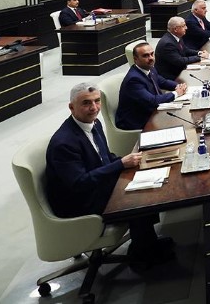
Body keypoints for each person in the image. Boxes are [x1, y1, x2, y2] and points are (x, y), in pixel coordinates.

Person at [46, 82, 174, 265]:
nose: (94, 108)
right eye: (86, 103)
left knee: (145, 181)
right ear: (71, 107)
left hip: (95, 186)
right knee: (138, 198)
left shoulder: (94, 124)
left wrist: (130, 162)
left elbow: (105, 157)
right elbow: (79, 183)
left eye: (97, 101)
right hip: (79, 202)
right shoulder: (64, 143)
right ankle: (143, 258)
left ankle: (147, 243)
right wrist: (120, 164)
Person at [116, 42, 187, 130]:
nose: (151, 58)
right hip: (137, 121)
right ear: (135, 59)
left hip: (151, 111)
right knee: (178, 125)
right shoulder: (133, 79)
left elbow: (163, 82)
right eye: (145, 56)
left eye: (152, 54)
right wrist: (176, 93)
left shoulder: (150, 68)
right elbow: (152, 101)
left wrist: (179, 86)